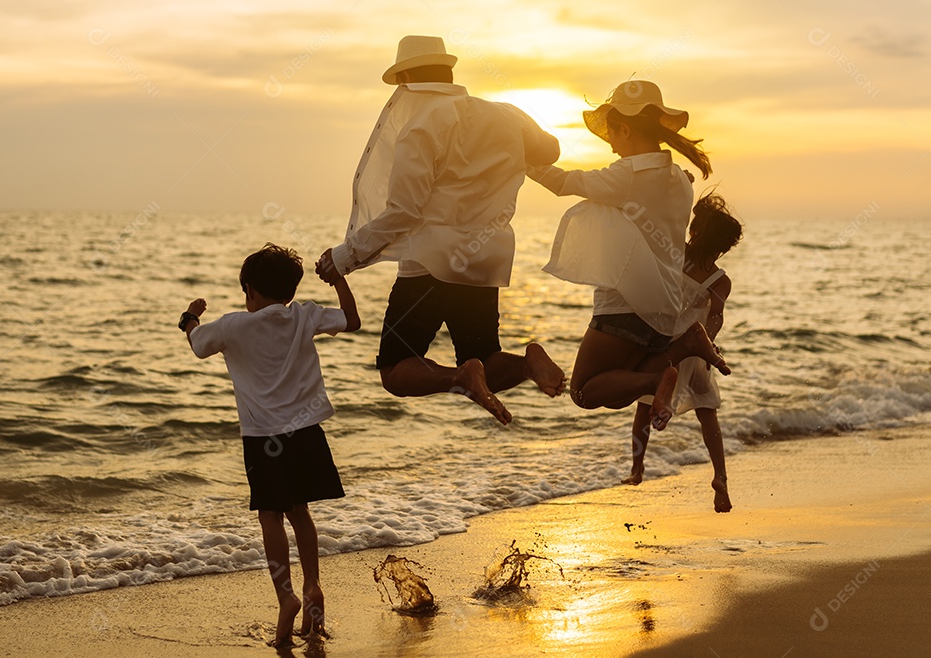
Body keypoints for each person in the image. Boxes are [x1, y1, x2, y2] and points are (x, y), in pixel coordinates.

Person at [315, 35, 565, 425]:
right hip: (484, 260)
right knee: (486, 358)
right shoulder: (506, 114)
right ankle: (527, 366)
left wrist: (345, 256)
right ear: (448, 72)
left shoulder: (419, 125)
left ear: (409, 78)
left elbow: (404, 212)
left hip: (429, 265)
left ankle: (459, 377)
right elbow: (550, 151)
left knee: (396, 371)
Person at [179, 244, 361, 647]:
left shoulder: (231, 326)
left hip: (263, 439)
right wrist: (338, 279)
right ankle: (313, 586)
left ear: (249, 289)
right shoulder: (304, 314)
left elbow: (196, 344)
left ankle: (286, 597)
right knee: (301, 513)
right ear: (290, 290)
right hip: (307, 432)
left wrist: (190, 318)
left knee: (270, 516)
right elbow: (352, 320)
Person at [527, 80, 729, 429]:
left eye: (612, 137)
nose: (612, 148)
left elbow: (562, 183)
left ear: (625, 128)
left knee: (584, 392)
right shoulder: (680, 179)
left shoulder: (627, 174)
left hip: (625, 303)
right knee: (618, 394)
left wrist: (519, 158)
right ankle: (685, 345)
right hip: (665, 308)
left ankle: (661, 375)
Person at [621, 193, 743, 514]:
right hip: (697, 348)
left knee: (645, 404)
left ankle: (637, 467)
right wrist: (710, 341)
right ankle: (720, 478)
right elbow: (716, 315)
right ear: (722, 246)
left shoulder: (676, 254)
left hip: (666, 342)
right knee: (708, 413)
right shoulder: (720, 279)